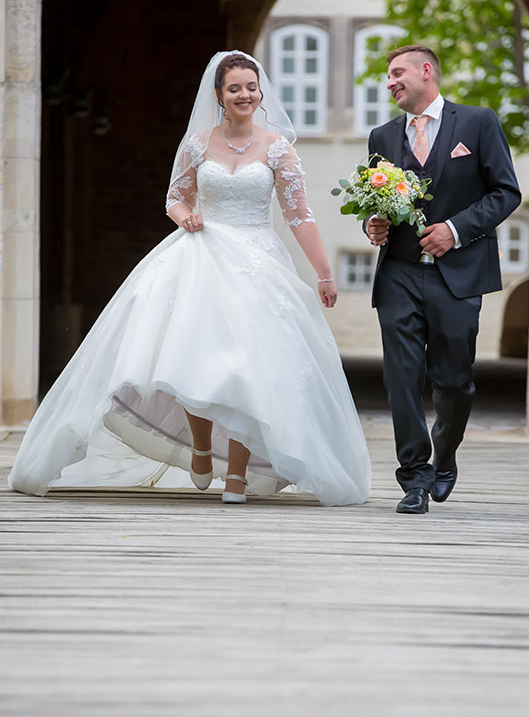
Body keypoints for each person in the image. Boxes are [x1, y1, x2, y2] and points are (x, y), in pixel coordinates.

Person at [9, 50, 370, 507]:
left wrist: (323, 273)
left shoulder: (279, 149)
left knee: (252, 367)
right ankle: (201, 445)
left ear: (261, 93)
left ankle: (237, 475)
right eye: (234, 87)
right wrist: (186, 218)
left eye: (251, 87)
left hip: (257, 263)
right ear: (219, 95)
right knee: (189, 356)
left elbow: (299, 215)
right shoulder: (197, 145)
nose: (244, 94)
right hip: (201, 258)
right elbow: (175, 199)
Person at [365, 44, 521, 514]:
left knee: (453, 380)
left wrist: (454, 231)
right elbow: (377, 203)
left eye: (397, 73)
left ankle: (445, 454)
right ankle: (413, 477)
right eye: (388, 77)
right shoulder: (381, 137)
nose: (390, 82)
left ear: (425, 71)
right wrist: (372, 225)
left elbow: (506, 192)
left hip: (459, 275)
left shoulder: (477, 122)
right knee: (402, 377)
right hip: (399, 273)